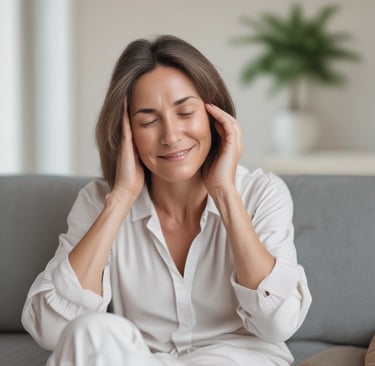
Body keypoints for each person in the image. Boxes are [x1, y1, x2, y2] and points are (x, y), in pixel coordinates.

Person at [22, 34, 312, 366]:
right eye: (148, 121)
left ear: (214, 117)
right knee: (89, 332)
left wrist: (225, 194)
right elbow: (51, 330)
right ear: (126, 131)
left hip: (239, 359)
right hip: (145, 360)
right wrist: (120, 200)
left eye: (186, 112)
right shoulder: (99, 201)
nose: (171, 136)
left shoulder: (262, 194)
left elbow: (279, 323)